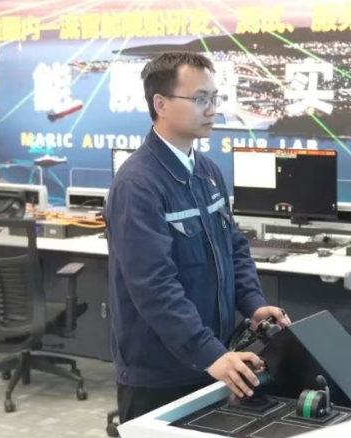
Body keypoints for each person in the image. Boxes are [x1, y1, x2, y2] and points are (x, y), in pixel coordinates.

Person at [104, 52, 291, 424]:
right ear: (161, 104)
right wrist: (209, 353)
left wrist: (253, 305)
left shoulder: (207, 171)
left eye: (214, 98)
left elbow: (233, 247)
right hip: (161, 372)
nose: (212, 109)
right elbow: (154, 286)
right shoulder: (137, 184)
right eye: (200, 98)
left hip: (213, 360)